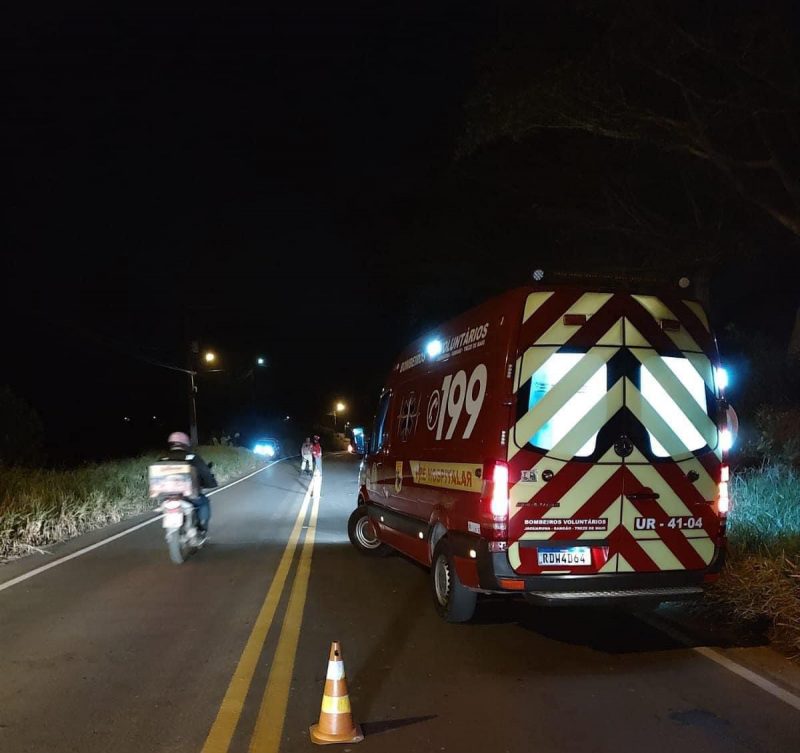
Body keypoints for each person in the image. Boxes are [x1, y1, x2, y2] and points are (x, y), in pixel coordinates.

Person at [163, 431, 217, 535]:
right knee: (204, 503)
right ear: (185, 443)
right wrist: (211, 483)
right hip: (190, 495)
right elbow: (205, 472)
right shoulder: (192, 457)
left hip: (167, 497)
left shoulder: (163, 458)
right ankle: (202, 528)